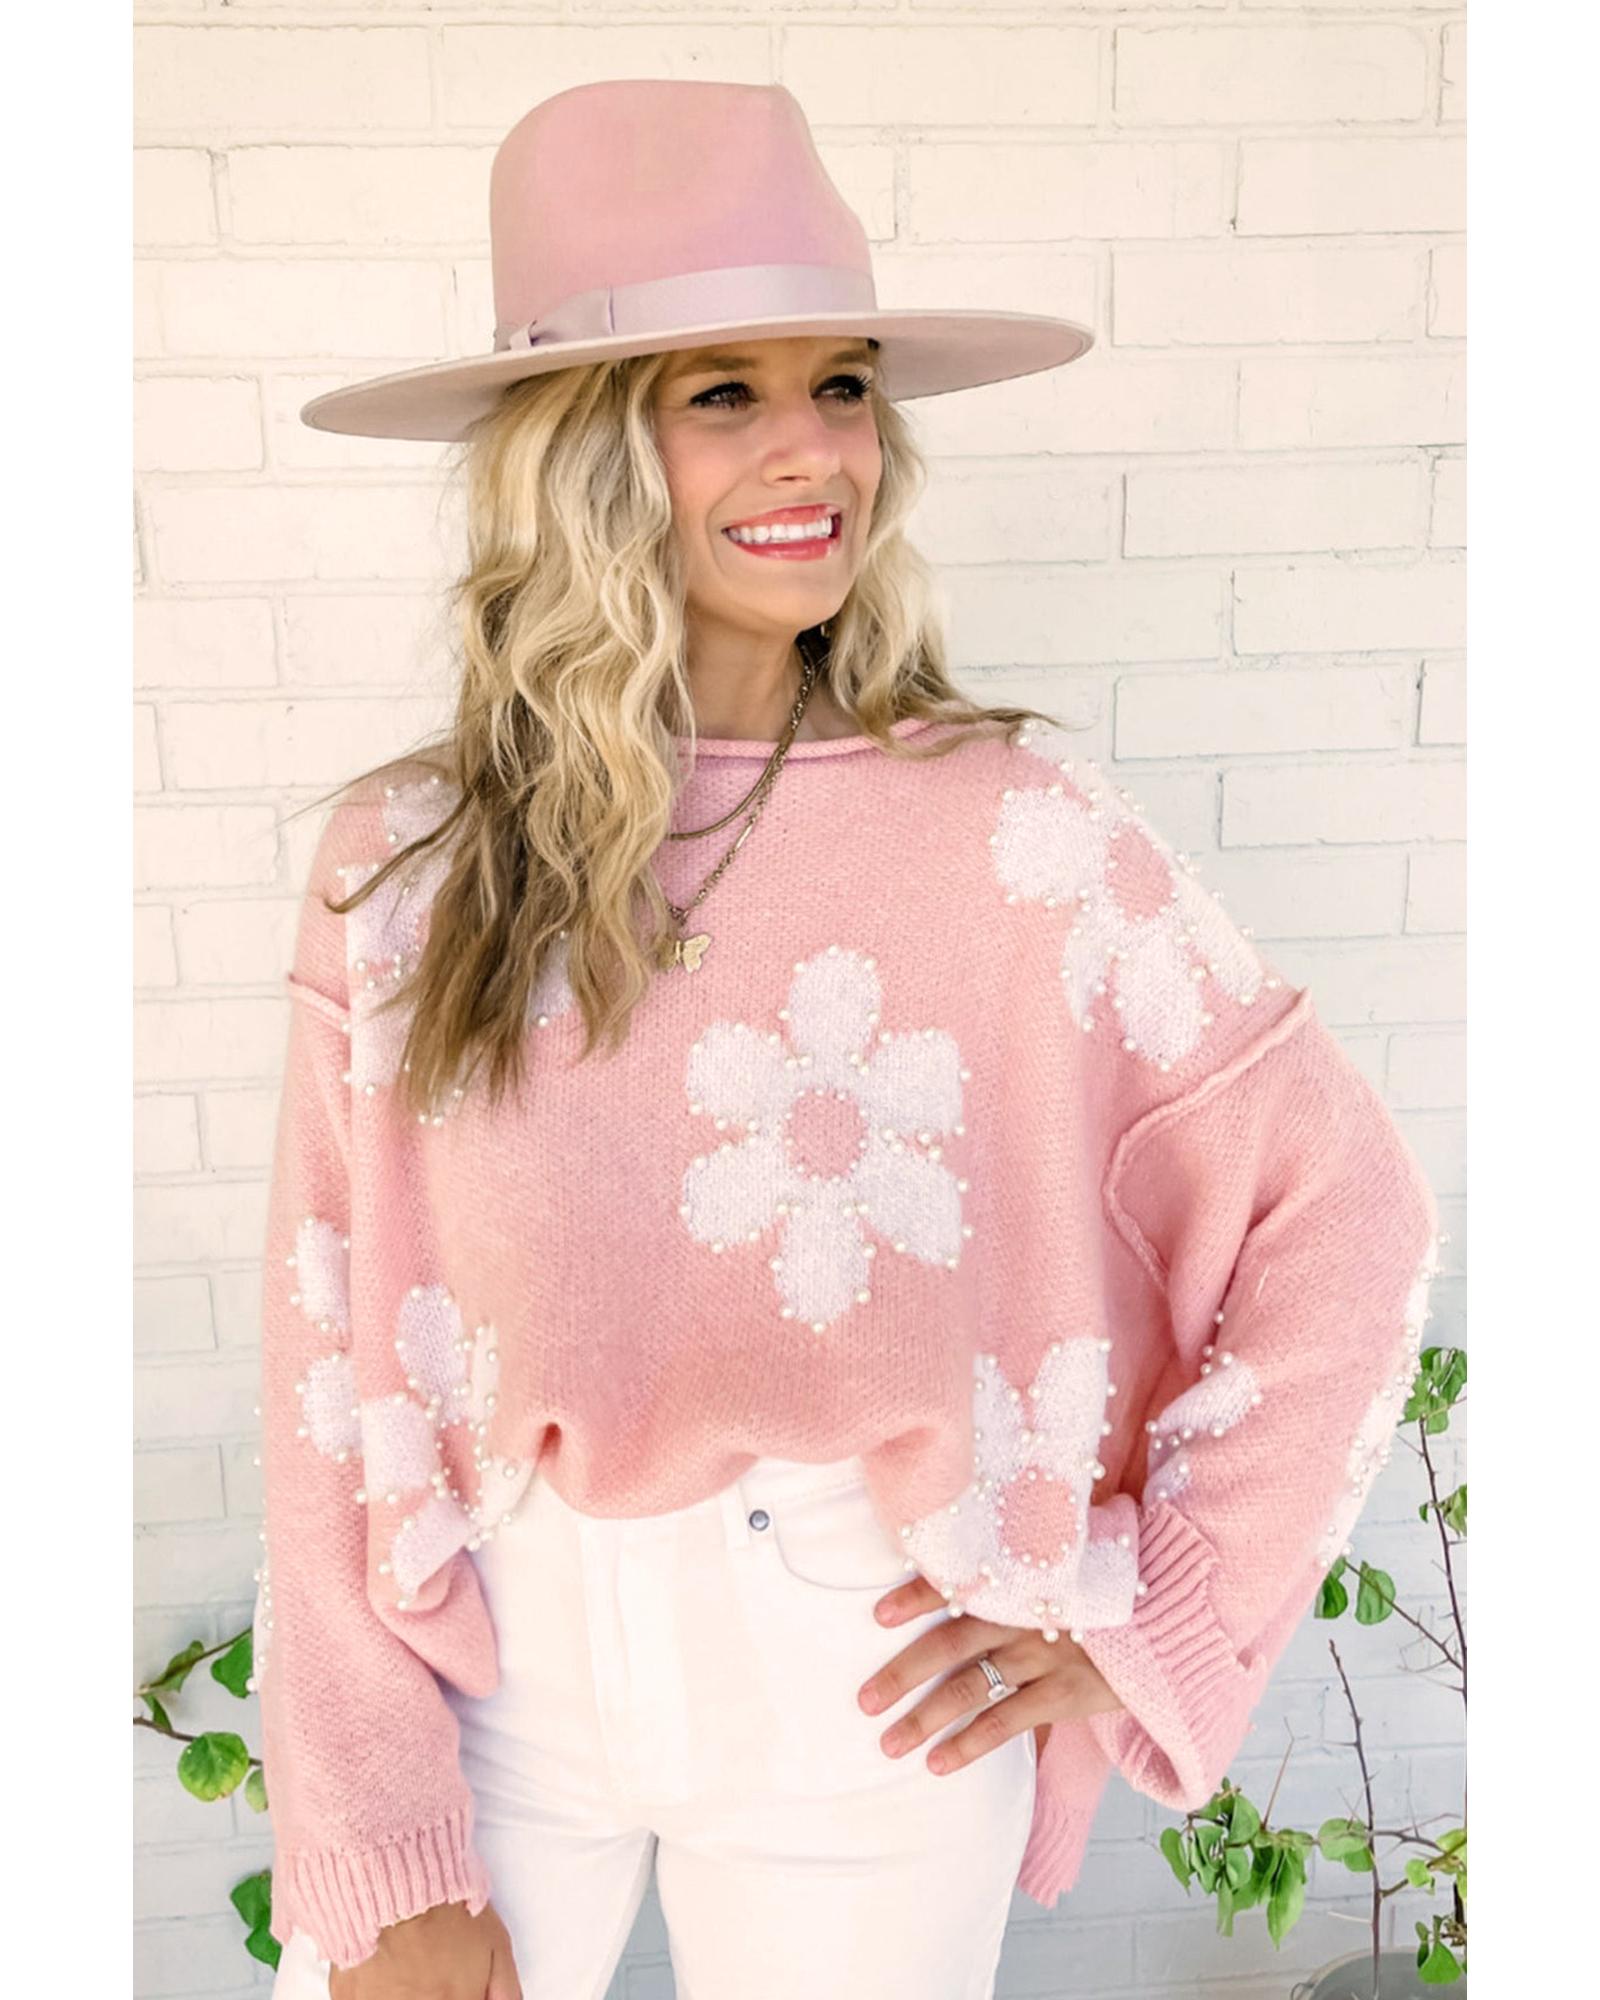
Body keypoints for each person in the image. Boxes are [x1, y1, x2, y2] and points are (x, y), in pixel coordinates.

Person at [254, 80, 1443, 2000]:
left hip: (863, 1676)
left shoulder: (1015, 838)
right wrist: (375, 1834)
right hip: (491, 1663)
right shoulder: (410, 868)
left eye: (844, 385)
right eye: (723, 392)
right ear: (584, 453)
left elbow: (1348, 1209)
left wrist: (1160, 1609)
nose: (813, 447)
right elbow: (328, 1363)